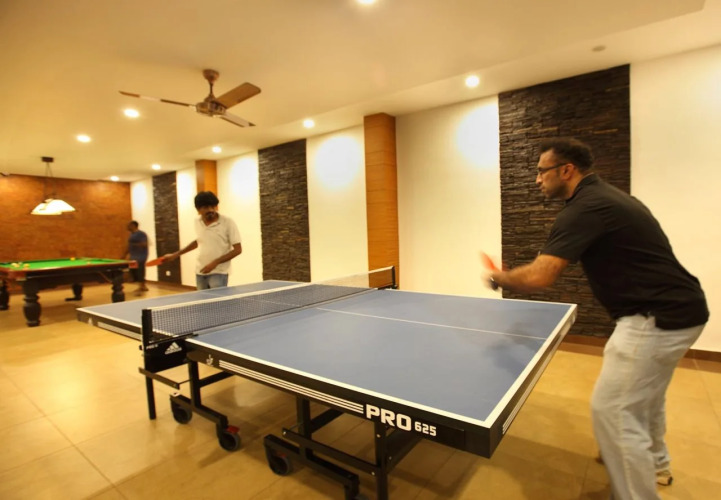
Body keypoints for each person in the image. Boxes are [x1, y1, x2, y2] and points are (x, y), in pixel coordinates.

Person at [486, 138, 708, 500]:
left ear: (566, 170)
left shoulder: (585, 208)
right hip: (685, 310)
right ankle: (657, 465)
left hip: (654, 318)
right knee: (645, 398)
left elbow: (542, 274)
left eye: (542, 171)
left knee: (615, 412)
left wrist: (501, 277)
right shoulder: (612, 197)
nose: (537, 179)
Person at [162, 191, 242, 289]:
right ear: (198, 209)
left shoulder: (227, 222)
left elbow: (238, 250)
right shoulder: (197, 221)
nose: (211, 210)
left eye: (213, 206)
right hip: (200, 271)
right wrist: (175, 254)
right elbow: (199, 241)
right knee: (202, 299)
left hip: (219, 272)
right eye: (206, 207)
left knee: (217, 299)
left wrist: (215, 263)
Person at [125, 220, 149, 294]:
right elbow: (129, 246)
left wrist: (134, 245)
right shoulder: (132, 234)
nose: (127, 227)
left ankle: (142, 286)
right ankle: (141, 285)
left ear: (133, 226)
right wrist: (127, 254)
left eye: (129, 225)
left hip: (140, 256)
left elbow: (144, 244)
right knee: (133, 271)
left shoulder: (141, 234)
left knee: (140, 271)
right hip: (133, 256)